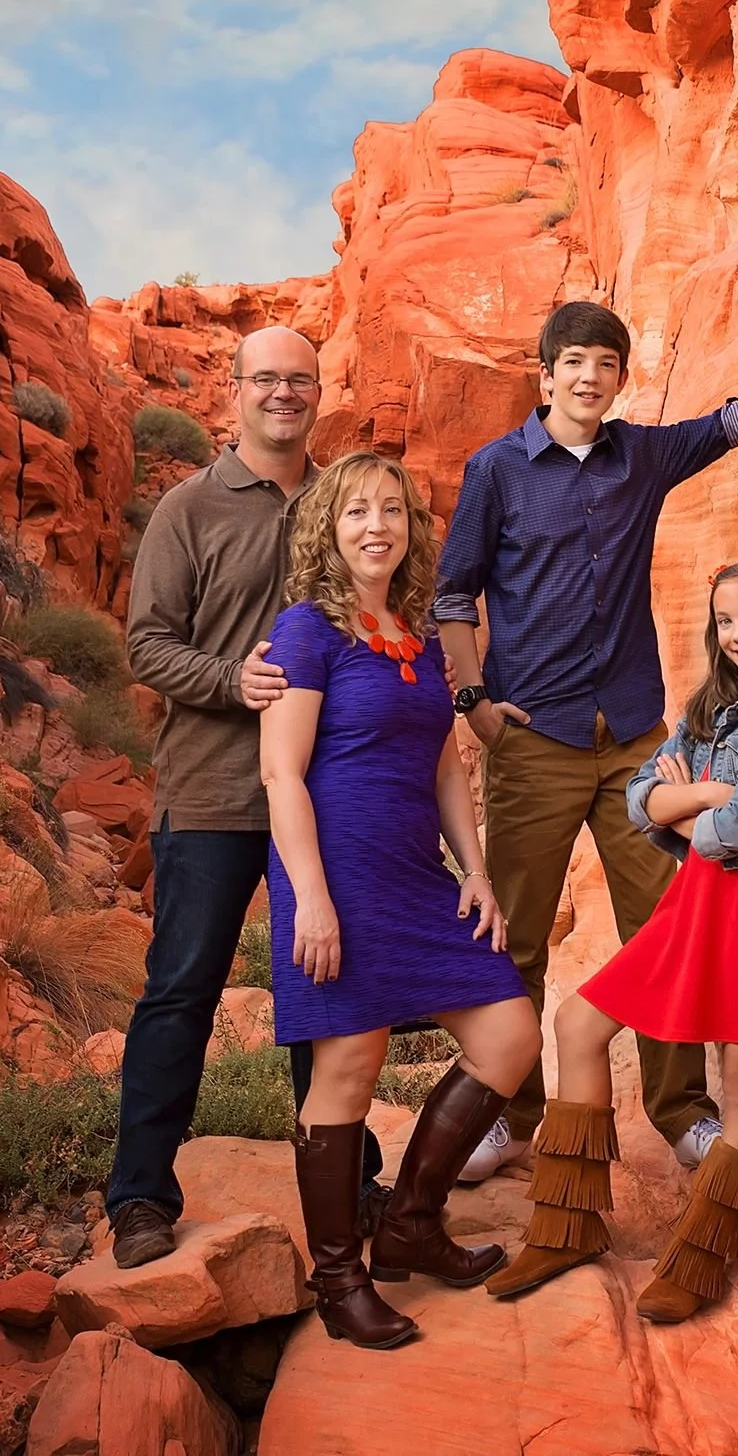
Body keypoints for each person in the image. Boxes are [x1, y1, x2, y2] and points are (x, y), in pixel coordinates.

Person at [432, 300, 738, 1180]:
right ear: (546, 375)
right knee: (518, 936)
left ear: (620, 377)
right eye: (573, 362)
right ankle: (513, 1115)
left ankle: (682, 1112)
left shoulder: (640, 456)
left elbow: (724, 426)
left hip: (634, 740)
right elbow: (454, 594)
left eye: (605, 364)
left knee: (666, 926)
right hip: (533, 738)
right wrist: (473, 702)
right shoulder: (497, 470)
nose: (589, 378)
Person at [105, 327, 393, 1268]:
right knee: (182, 991)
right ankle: (140, 1199)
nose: (283, 394)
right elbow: (146, 644)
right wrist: (234, 680)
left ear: (319, 392)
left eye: (299, 380)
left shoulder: (343, 502)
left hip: (328, 797)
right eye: (265, 379)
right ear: (234, 390)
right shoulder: (188, 509)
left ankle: (349, 1194)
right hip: (214, 794)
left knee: (327, 993)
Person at [486, 557, 738, 1321]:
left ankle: (702, 1260)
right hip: (700, 896)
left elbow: (732, 831)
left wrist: (687, 803)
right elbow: (641, 801)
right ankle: (568, 1228)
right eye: (726, 620)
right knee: (578, 1023)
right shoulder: (710, 708)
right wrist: (706, 792)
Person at [260, 452, 542, 1349]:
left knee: (510, 1035)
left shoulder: (417, 640)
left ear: (412, 530)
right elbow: (281, 773)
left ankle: (411, 1224)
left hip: (419, 874)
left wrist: (477, 872)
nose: (376, 526)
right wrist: (310, 898)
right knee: (349, 1065)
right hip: (337, 873)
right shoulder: (305, 631)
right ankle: (339, 1281)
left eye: (392, 510)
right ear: (328, 529)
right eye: (356, 512)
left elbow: (447, 770)